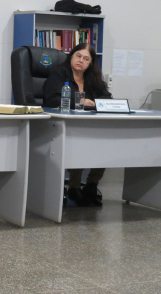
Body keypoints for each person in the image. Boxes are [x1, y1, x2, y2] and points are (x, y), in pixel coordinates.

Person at [43, 43, 112, 207]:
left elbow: (107, 98)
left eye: (86, 59)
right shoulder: (59, 74)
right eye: (78, 56)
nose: (81, 60)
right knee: (79, 142)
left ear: (91, 63)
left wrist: (97, 103)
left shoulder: (93, 78)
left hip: (89, 125)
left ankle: (91, 185)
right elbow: (51, 100)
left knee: (106, 143)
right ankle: (74, 187)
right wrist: (80, 102)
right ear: (71, 57)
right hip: (61, 125)